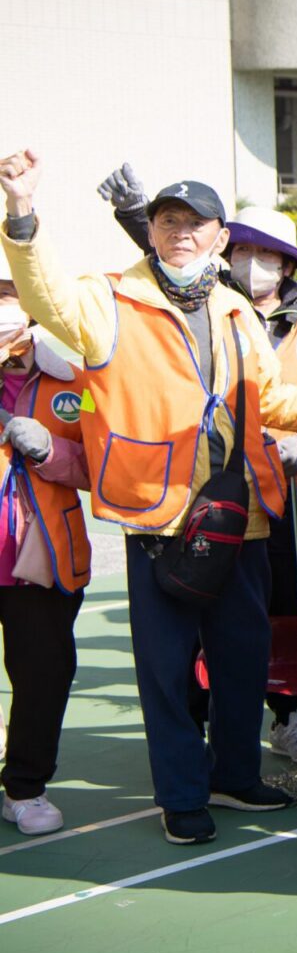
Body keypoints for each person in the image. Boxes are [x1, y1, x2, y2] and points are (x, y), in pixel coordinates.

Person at [1, 153, 297, 846]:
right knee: (165, 670)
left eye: (196, 223)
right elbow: (44, 298)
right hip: (159, 513)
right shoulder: (107, 300)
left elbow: (270, 397)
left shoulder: (235, 307)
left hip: (237, 512)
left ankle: (235, 774)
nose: (182, 232)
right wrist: (22, 215)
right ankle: (182, 794)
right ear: (150, 230)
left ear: (220, 236)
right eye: (168, 220)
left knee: (244, 658)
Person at [217, 205, 297, 760]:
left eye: (266, 255)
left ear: (287, 267)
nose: (253, 264)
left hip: (291, 488)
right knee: (212, 597)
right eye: (242, 250)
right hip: (215, 484)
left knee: (289, 597)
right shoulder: (211, 315)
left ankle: (287, 713)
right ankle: (211, 718)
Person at [0, 279, 93, 836]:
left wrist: (52, 452)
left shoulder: (72, 381)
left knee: (44, 671)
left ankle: (26, 787)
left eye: (9, 300)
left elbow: (102, 465)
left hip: (40, 557)